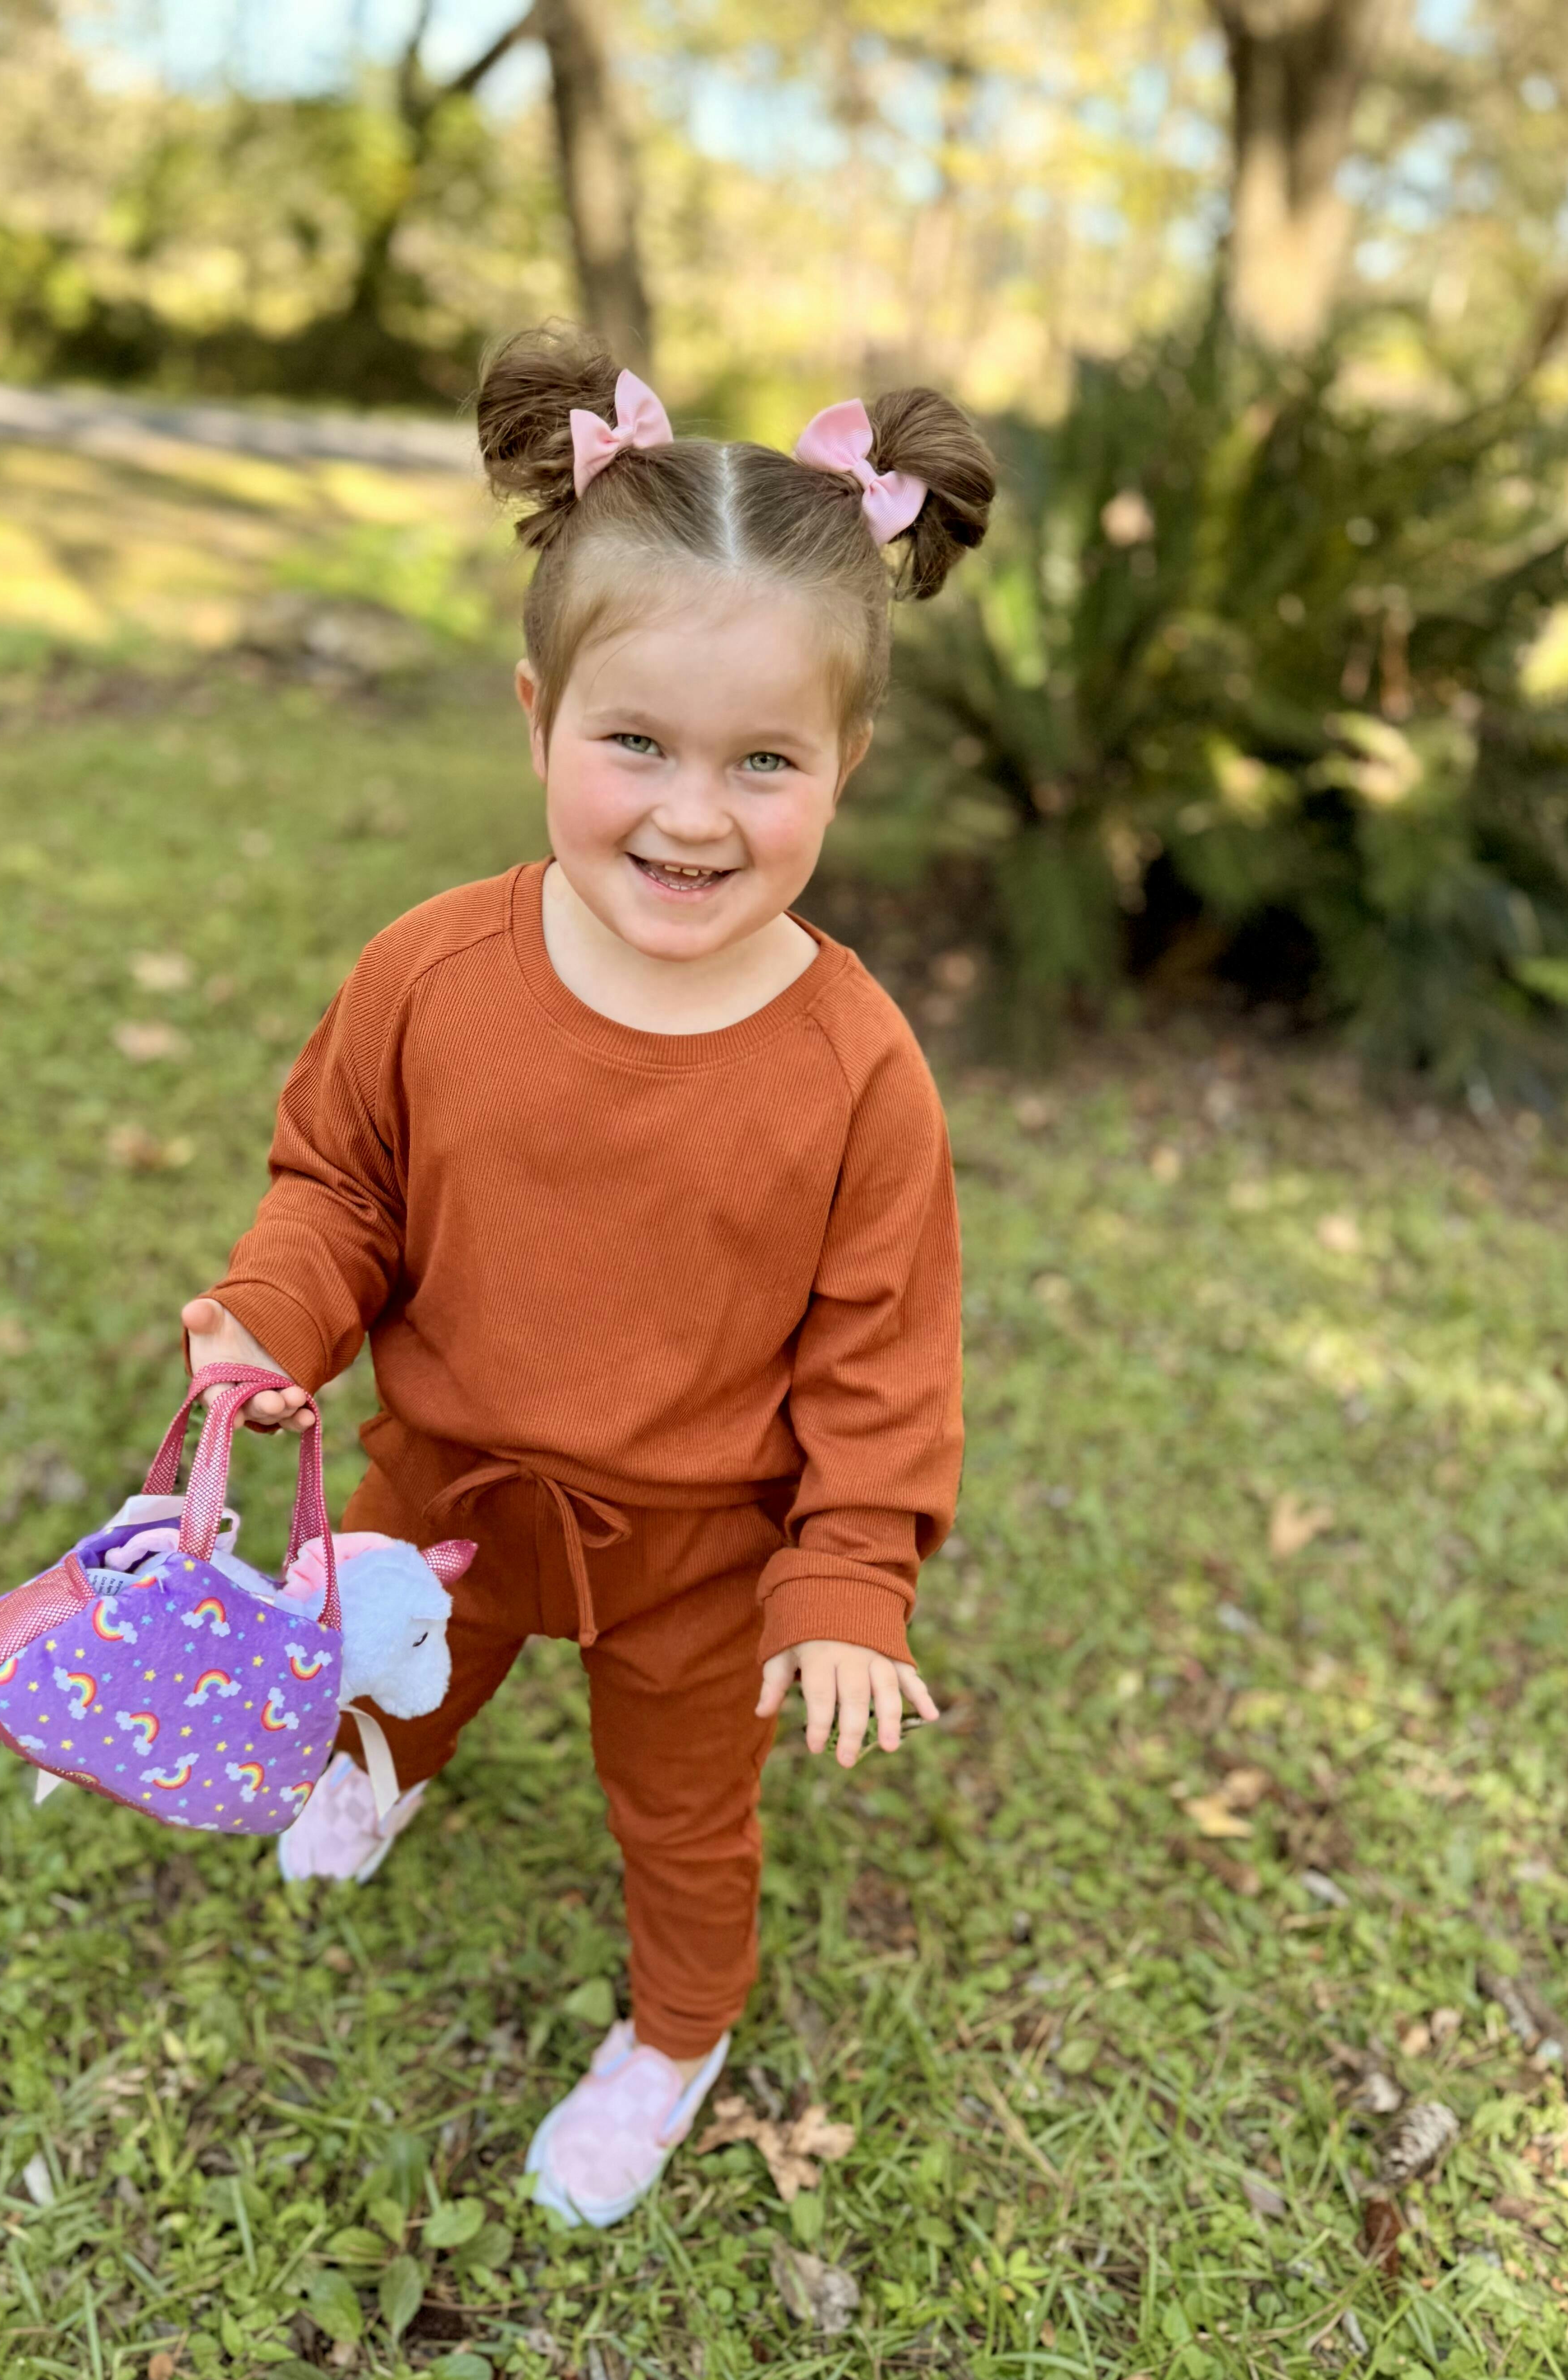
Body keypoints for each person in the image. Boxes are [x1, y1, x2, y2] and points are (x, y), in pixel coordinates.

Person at [179, 324, 996, 2227]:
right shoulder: (429, 977)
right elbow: (340, 1189)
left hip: (701, 1546)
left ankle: (675, 2032)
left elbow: (884, 1352)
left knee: (684, 1817)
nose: (691, 816)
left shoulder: (855, 1067)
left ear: (846, 763)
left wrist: (849, 1575)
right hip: (448, 1476)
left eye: (763, 762)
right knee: (398, 1665)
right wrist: (276, 1316)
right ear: (536, 714)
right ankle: (379, 1775)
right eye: (636, 743)